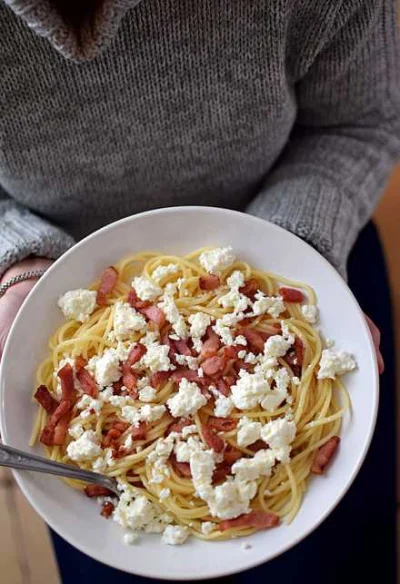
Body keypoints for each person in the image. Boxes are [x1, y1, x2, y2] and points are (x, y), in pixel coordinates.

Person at [0, 0, 398, 582]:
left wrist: (294, 253)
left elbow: (361, 123)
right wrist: (18, 265)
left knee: (335, 560)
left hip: (302, 258)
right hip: (66, 305)